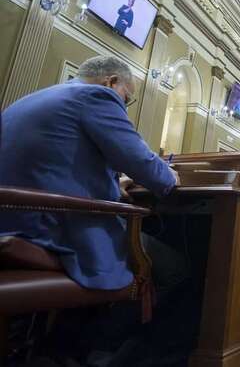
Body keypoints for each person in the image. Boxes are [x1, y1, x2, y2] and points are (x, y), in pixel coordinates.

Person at [0, 55, 180, 291]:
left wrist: (116, 184)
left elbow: (54, 165)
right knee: (177, 268)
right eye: (127, 98)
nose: (124, 107)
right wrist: (169, 175)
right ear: (111, 82)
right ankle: (109, 326)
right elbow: (143, 164)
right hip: (55, 230)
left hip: (11, 221)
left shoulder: (28, 100)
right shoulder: (97, 96)